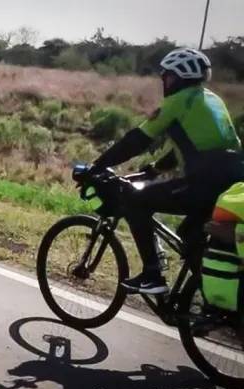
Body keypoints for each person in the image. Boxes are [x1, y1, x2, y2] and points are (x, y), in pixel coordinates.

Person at [88, 47, 243, 294]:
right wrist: (154, 170)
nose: (165, 81)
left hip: (205, 182)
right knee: (191, 237)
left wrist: (97, 165)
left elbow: (138, 139)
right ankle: (208, 299)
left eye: (168, 76)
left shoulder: (177, 101)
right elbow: (195, 146)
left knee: (135, 199)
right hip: (233, 184)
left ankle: (153, 275)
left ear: (179, 77)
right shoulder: (212, 100)